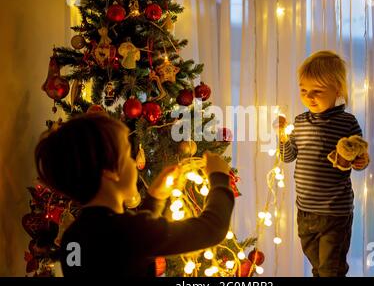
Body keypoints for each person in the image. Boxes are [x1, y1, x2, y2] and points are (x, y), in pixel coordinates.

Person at [34, 113, 234, 277]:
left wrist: (155, 198)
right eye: (128, 155)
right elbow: (211, 229)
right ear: (111, 171)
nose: (134, 163)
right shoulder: (128, 232)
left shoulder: (73, 238)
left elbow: (126, 249)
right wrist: (219, 178)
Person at [279, 50, 370, 277]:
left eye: (317, 91)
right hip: (305, 212)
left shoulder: (347, 122)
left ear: (337, 90)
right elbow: (288, 156)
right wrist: (281, 137)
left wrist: (361, 160)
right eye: (304, 90)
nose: (309, 97)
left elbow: (359, 157)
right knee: (318, 268)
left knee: (332, 269)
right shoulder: (299, 122)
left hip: (334, 213)